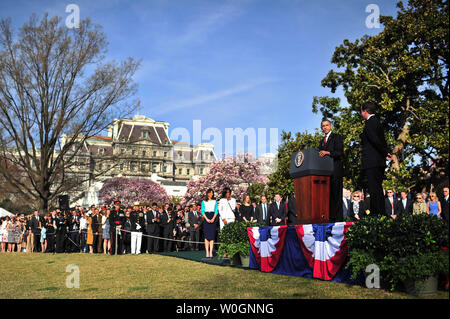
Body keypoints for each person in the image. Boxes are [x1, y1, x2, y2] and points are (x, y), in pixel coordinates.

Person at [360, 102, 392, 216]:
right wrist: (386, 152)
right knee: (378, 188)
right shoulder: (377, 122)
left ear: (365, 111)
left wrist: (385, 152)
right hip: (378, 161)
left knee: (374, 189)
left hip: (372, 161)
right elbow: (381, 140)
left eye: (361, 111)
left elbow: (374, 140)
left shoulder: (369, 123)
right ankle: (380, 213)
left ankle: (376, 214)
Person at [318, 119, 344, 222]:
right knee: (328, 197)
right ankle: (330, 219)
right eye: (323, 126)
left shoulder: (337, 137)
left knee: (336, 196)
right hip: (325, 173)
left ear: (331, 126)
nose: (325, 127)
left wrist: (327, 152)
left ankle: (338, 220)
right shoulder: (321, 141)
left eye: (327, 125)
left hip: (335, 171)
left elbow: (339, 152)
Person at [201, 188, 219, 258]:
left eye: (212, 193)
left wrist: (213, 218)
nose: (211, 194)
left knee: (212, 236)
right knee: (206, 236)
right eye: (210, 193)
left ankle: (211, 252)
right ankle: (207, 252)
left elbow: (216, 211)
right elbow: (202, 211)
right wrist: (207, 219)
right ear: (207, 193)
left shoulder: (215, 201)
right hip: (206, 217)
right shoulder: (203, 202)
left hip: (213, 217)